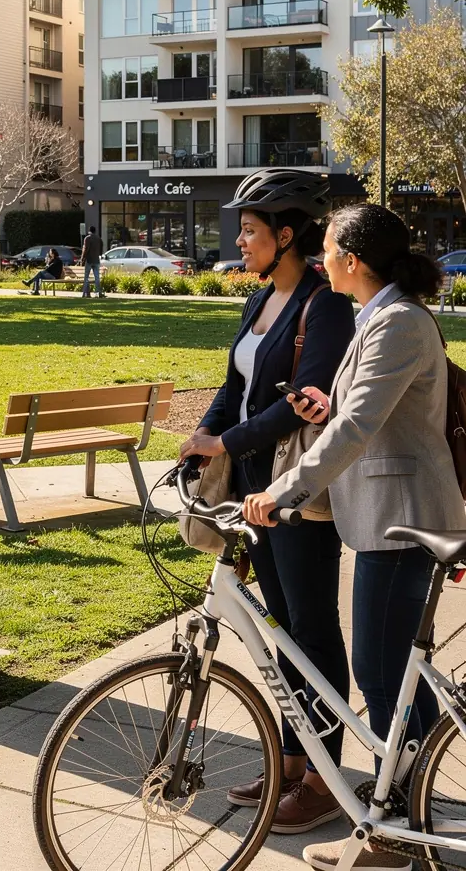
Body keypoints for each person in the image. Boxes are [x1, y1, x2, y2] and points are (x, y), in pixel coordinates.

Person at [245, 203, 466, 871]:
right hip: (385, 515)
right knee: (389, 671)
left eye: (331, 248)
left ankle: (398, 828)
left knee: (378, 667)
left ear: (355, 260)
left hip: (406, 521)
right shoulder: (379, 318)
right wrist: (325, 408)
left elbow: (359, 428)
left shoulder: (398, 321)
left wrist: (286, 491)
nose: (322, 259)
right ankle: (404, 813)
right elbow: (358, 413)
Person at [180, 169, 356, 836]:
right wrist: (206, 439)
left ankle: (324, 779)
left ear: (287, 235)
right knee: (282, 632)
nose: (241, 240)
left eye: (251, 230)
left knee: (312, 632)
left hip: (296, 492)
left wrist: (228, 437)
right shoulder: (260, 301)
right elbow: (237, 382)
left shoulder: (325, 303)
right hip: (253, 491)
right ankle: (289, 759)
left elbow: (301, 400)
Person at [81, 226, 104, 298]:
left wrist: (83, 258)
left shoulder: (87, 238)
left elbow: (86, 249)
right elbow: (101, 248)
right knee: (97, 277)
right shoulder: (99, 239)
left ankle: (85, 293)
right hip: (96, 260)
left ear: (89, 231)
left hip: (89, 260)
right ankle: (98, 292)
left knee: (86, 277)